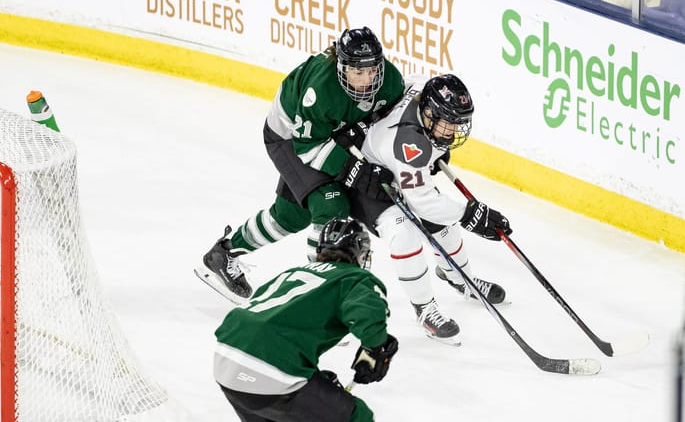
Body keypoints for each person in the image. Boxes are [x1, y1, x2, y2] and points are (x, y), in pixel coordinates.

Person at [196, 27, 405, 303]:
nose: (368, 80)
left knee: (291, 215)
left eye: (372, 70)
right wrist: (356, 172)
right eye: (358, 72)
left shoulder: (389, 79)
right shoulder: (320, 91)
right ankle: (319, 295)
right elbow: (308, 146)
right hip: (291, 138)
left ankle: (223, 254)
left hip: (332, 133)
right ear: (342, 66)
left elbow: (396, 117)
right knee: (331, 206)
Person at [336, 74, 512, 346]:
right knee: (405, 234)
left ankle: (462, 279)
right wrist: (470, 214)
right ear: (428, 114)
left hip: (395, 165)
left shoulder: (422, 88)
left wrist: (434, 149)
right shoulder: (409, 146)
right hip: (370, 180)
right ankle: (424, 308)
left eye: (458, 123)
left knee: (443, 225)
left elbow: (404, 87)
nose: (453, 131)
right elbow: (424, 202)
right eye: (448, 123)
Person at [213, 217, 398, 422]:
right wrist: (376, 347)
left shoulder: (294, 272)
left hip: (226, 362)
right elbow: (368, 315)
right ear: (358, 251)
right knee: (357, 416)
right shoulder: (354, 278)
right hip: (271, 368)